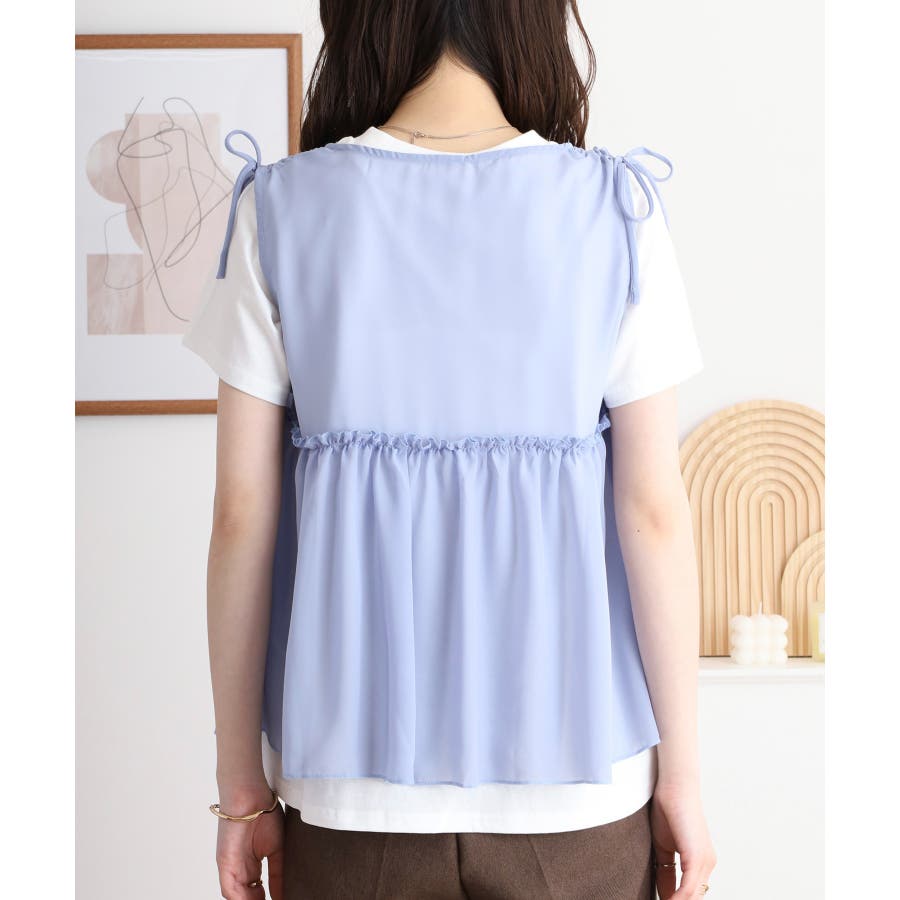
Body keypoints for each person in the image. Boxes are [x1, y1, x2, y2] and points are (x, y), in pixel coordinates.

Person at [183, 2, 717, 898]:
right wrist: (685, 783)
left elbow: (241, 516)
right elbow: (654, 514)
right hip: (577, 782)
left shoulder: (280, 208)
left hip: (350, 790)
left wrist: (241, 793)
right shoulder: (616, 208)